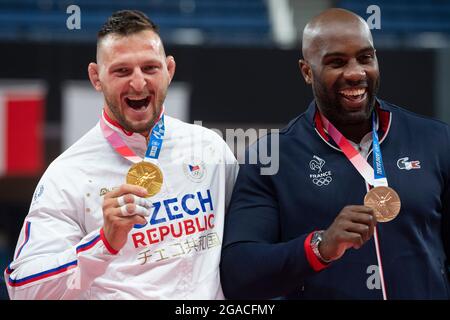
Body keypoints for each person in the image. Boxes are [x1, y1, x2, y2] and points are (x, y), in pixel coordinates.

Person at [5, 10, 238, 299]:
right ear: (96, 77)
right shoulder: (67, 174)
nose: (138, 83)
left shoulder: (210, 149)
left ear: (169, 70)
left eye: (150, 68)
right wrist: (103, 242)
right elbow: (22, 288)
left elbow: (248, 248)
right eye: (122, 71)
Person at [220, 8, 450, 299]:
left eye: (365, 58)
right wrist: (320, 246)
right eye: (337, 62)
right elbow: (239, 274)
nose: (355, 73)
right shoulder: (271, 158)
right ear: (307, 71)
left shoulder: (435, 140)